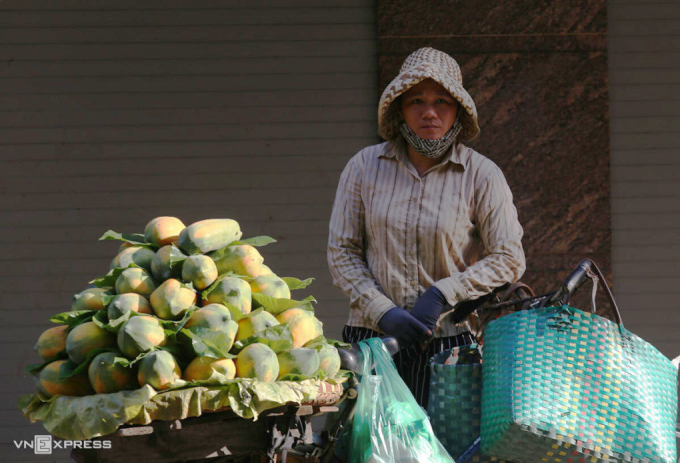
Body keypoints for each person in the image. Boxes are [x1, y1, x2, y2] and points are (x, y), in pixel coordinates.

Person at [327, 47, 526, 407]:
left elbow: (509, 258)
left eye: (442, 102)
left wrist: (442, 293)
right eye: (416, 100)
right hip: (374, 341)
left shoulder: (481, 174)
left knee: (444, 451)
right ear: (399, 108)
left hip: (448, 345)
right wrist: (382, 311)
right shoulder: (363, 168)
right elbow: (342, 253)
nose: (429, 112)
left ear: (458, 112)